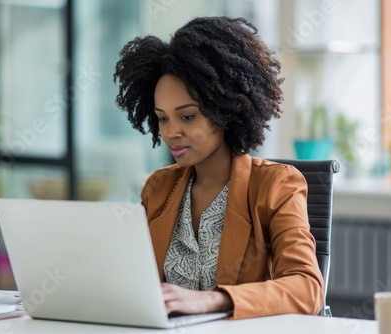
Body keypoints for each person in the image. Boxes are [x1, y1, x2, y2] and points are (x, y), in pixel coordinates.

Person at [113, 16, 324, 320]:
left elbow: (307, 288)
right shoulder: (158, 188)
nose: (171, 132)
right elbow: (133, 279)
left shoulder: (276, 185)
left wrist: (213, 300)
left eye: (187, 117)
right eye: (162, 118)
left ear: (224, 110)